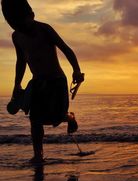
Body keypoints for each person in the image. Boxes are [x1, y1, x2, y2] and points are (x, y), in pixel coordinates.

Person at [1, 0, 85, 163]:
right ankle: (38, 155)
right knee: (35, 120)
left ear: (31, 15)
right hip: (38, 83)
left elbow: (66, 49)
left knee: (55, 118)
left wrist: (76, 70)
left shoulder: (44, 29)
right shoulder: (16, 36)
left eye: (21, 23)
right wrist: (16, 84)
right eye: (14, 25)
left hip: (56, 81)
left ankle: (70, 118)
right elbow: (21, 61)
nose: (20, 28)